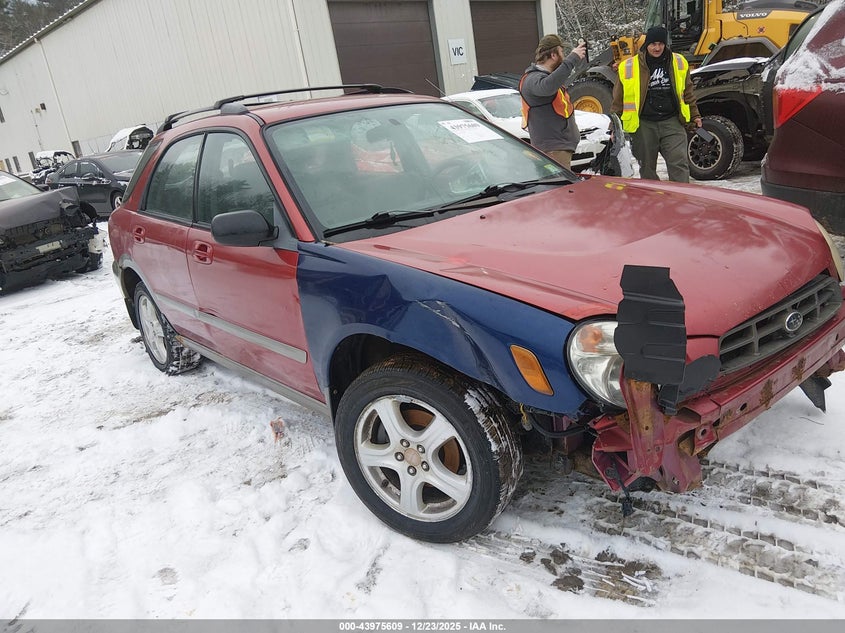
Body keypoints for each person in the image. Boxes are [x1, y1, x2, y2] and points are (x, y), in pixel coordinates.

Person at [611, 26, 702, 183]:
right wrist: (614, 125)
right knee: (647, 168)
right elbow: (618, 100)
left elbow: (688, 92)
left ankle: (680, 202)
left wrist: (695, 115)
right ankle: (653, 203)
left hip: (672, 121)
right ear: (647, 45)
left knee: (679, 164)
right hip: (644, 125)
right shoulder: (628, 66)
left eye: (661, 44)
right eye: (653, 44)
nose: (657, 48)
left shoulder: (679, 62)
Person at [519, 34, 587, 169]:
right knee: (560, 189)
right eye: (562, 52)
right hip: (553, 151)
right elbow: (547, 87)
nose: (564, 56)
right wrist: (572, 59)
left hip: (558, 149)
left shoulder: (545, 78)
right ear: (553, 55)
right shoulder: (532, 79)